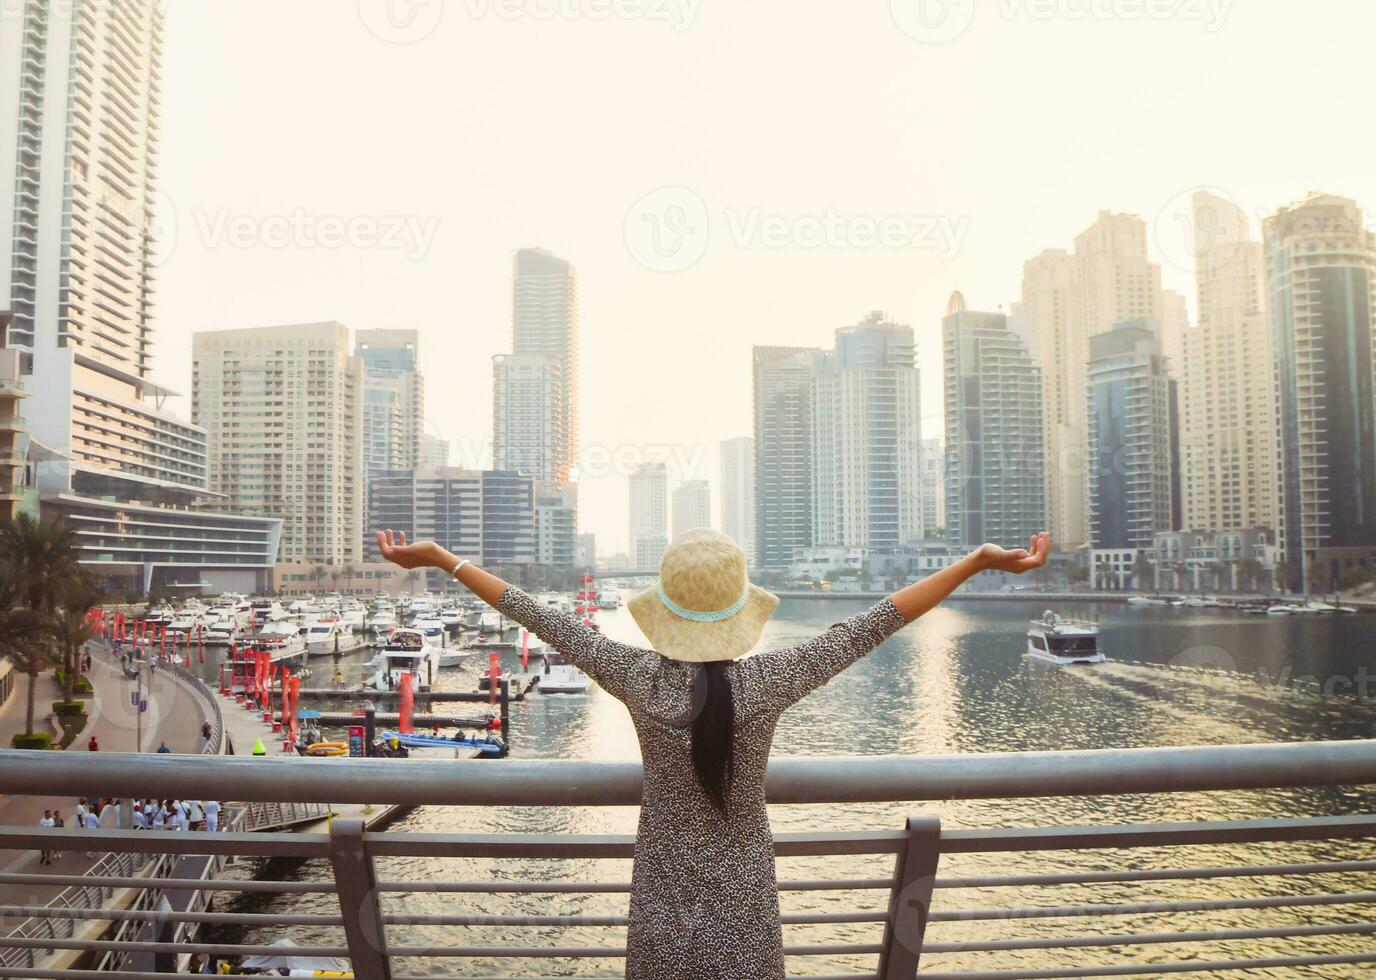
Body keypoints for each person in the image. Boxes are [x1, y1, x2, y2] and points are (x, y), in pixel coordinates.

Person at [376, 526, 1050, 980]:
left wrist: (442, 559)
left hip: (662, 913)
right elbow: (877, 622)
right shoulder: (767, 683)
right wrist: (977, 561)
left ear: (663, 609)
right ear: (740, 611)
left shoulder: (636, 678)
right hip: (746, 916)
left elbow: (536, 615)